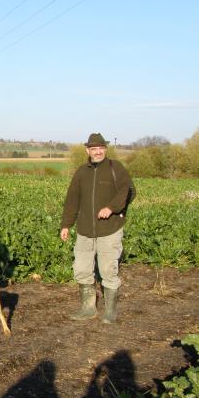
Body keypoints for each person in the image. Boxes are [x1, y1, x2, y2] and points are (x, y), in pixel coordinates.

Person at [60, 132, 136, 324]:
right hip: (85, 229)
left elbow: (127, 190)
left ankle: (110, 311)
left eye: (101, 148)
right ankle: (88, 309)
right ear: (88, 150)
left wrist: (111, 208)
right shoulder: (81, 172)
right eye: (94, 149)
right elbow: (72, 200)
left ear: (105, 149)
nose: (98, 152)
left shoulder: (115, 168)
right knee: (82, 268)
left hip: (109, 228)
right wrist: (66, 225)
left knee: (108, 270)